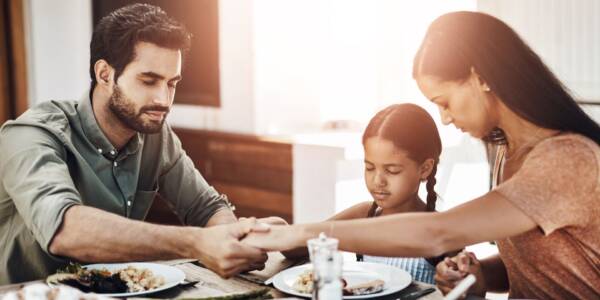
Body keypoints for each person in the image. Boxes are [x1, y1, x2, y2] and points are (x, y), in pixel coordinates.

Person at [242, 11, 600, 299]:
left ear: (481, 78)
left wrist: (299, 234)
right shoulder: (511, 152)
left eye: (444, 102)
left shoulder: (567, 159)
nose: (445, 117)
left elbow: (437, 233)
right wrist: (479, 274)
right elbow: (533, 270)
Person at [0, 3, 273, 284]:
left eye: (171, 83)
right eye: (148, 80)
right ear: (104, 74)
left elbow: (207, 207)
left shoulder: (156, 134)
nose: (163, 100)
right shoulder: (31, 135)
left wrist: (232, 241)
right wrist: (197, 242)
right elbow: (64, 230)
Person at [284, 104, 452, 284]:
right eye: (370, 167)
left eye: (392, 170)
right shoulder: (364, 215)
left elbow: (470, 291)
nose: (377, 180)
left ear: (425, 169)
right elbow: (295, 248)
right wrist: (276, 228)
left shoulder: (444, 231)